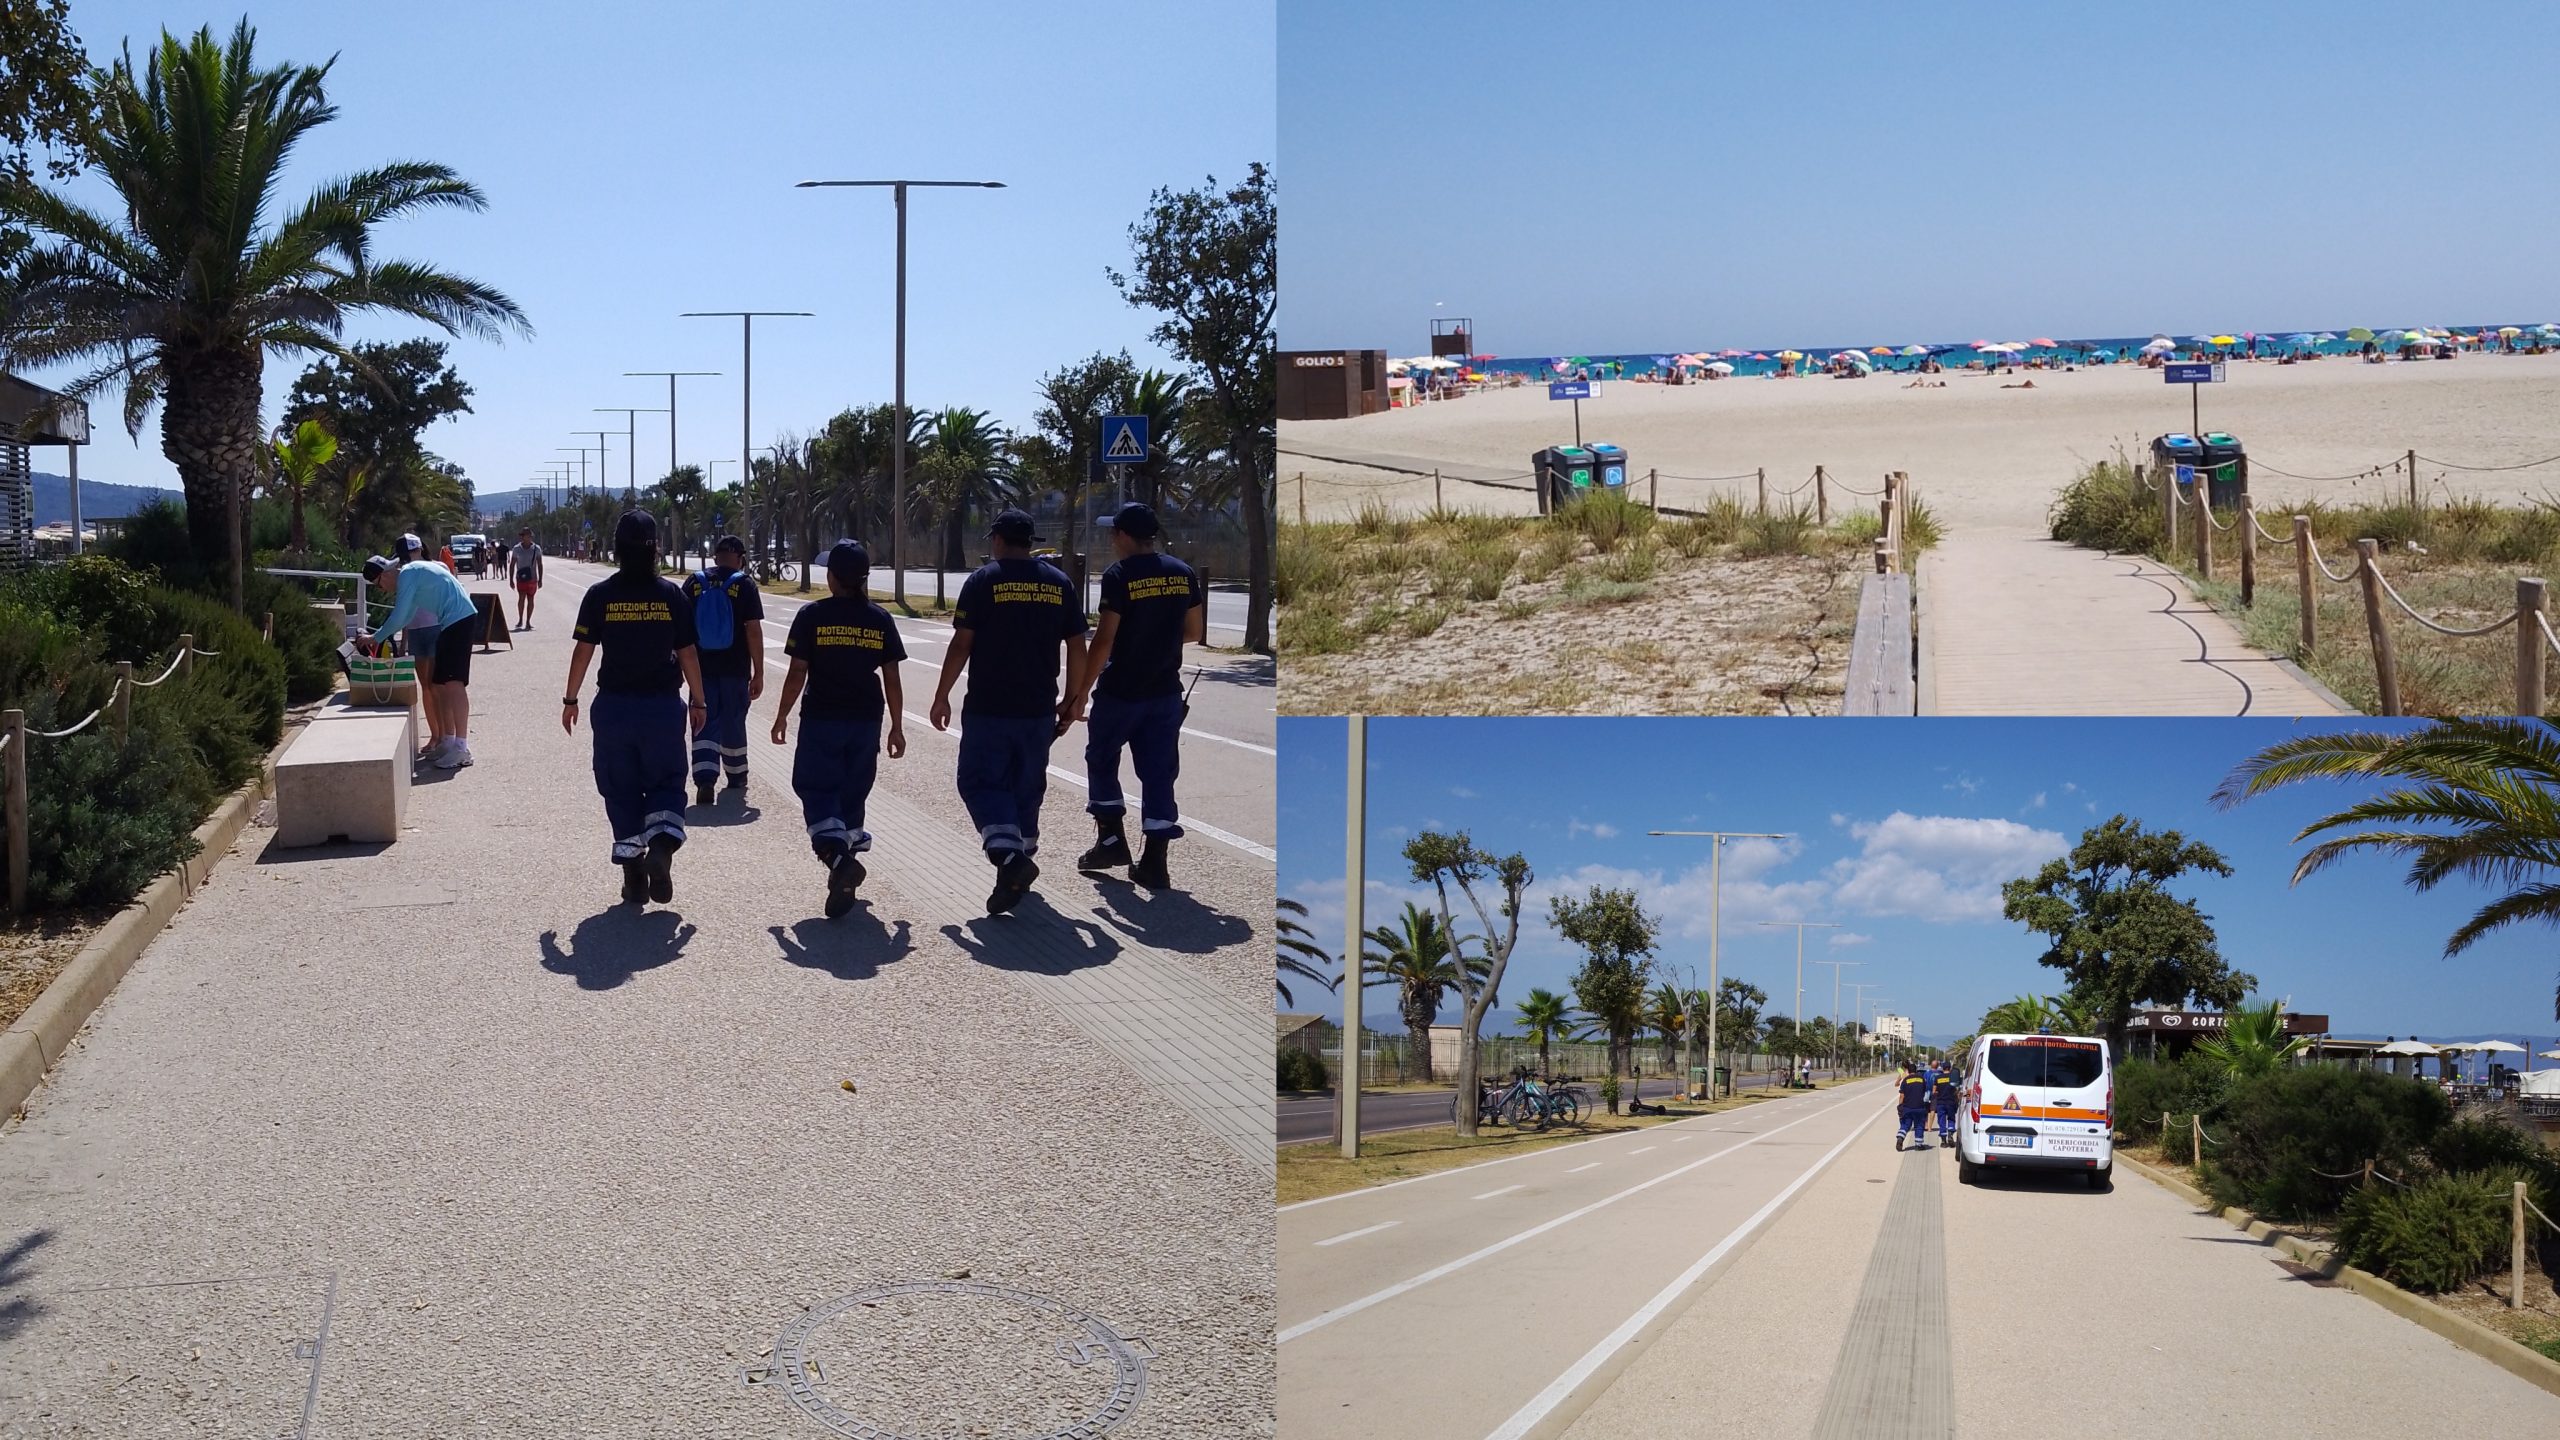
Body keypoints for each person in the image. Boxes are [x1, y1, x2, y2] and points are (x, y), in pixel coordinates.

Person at [930, 508, 1089, 915]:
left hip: (989, 707)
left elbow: (962, 644)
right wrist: (1076, 698)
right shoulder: (1059, 583)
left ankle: (1011, 861)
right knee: (1026, 787)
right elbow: (1076, 644)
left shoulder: (984, 581)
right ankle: (1017, 869)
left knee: (979, 782)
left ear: (999, 539)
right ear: (1030, 541)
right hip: (1037, 708)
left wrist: (942, 694)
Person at [562, 511, 707, 905]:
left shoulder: (600, 595)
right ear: (655, 548)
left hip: (614, 709)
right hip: (661, 709)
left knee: (620, 788)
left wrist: (571, 698)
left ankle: (633, 877)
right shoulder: (671, 595)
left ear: (617, 548)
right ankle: (661, 848)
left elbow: (583, 651)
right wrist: (699, 699)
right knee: (665, 781)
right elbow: (689, 653)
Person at [1068, 503, 1205, 889]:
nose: (1111, 539)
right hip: (1164, 693)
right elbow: (1194, 631)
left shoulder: (1119, 576)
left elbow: (1105, 640)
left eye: (1114, 533)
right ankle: (1155, 863)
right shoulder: (1182, 573)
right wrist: (1158, 638)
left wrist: (1081, 692)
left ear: (1125, 535)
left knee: (1101, 757)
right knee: (1159, 773)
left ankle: (1111, 840)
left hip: (1121, 692)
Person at [769, 540, 908, 917]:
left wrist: (781, 715)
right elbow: (892, 677)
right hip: (866, 719)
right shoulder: (879, 619)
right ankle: (842, 866)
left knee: (814, 786)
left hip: (822, 719)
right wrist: (897, 726)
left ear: (831, 577)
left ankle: (837, 859)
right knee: (852, 791)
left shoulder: (812, 615)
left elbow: (798, 672)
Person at [359, 550, 480, 769]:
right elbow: (406, 616)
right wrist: (377, 637)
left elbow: (398, 615)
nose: (382, 590)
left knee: (454, 683)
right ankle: (448, 741)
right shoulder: (412, 576)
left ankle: (462, 748)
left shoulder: (408, 574)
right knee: (439, 683)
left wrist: (373, 638)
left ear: (384, 576)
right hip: (450, 622)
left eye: (378, 585)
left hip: (459, 619)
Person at [682, 535, 766, 805]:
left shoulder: (695, 583)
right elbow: (753, 630)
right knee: (733, 721)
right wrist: (759, 672)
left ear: (715, 556)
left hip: (701, 670)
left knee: (702, 722)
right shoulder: (744, 585)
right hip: (735, 669)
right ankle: (736, 775)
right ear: (740, 558)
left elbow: (680, 631)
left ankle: (705, 779)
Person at [511, 527, 545, 631]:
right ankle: (520, 619)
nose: (528, 537)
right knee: (521, 598)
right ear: (522, 536)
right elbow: (512, 564)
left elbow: (540, 564)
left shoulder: (536, 548)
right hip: (520, 578)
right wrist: (511, 579)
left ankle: (528, 621)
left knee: (531, 599)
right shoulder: (516, 548)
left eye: (530, 535)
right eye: (526, 535)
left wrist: (540, 579)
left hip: (532, 578)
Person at [1893, 1062, 1931, 1151]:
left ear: (1908, 1071)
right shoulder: (1922, 1079)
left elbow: (1902, 1095)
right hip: (1919, 1107)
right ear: (1916, 1071)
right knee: (1919, 1125)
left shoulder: (1905, 1080)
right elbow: (1926, 1093)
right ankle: (1918, 1145)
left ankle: (1900, 1137)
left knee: (1906, 1124)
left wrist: (1900, 1106)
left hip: (1907, 1107)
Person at [1933, 1063, 1960, 1143]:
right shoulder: (1953, 1078)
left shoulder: (1938, 1078)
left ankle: (1943, 1141)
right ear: (1950, 1068)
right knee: (1951, 1118)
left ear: (1942, 1068)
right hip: (1950, 1102)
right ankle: (1950, 1135)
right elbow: (1957, 1091)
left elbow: (1934, 1091)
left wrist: (1939, 1093)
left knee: (1942, 1121)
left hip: (1941, 1102)